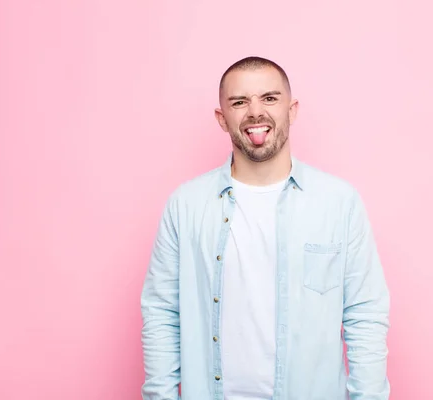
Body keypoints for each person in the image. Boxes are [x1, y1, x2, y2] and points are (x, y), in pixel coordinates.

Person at [140, 56, 390, 400]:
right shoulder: (186, 205)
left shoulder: (338, 203)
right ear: (221, 118)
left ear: (292, 109)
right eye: (239, 102)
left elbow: (365, 315)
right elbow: (161, 314)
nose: (255, 112)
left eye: (270, 98)